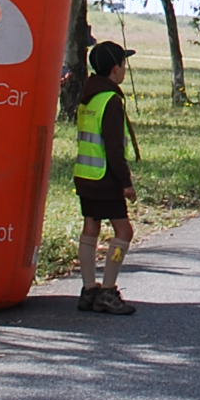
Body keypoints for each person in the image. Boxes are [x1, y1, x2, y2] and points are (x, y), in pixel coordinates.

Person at [71, 41, 140, 316]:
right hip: (105, 178)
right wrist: (126, 183)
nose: (124, 70)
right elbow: (113, 147)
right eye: (123, 64)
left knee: (91, 229)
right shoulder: (111, 100)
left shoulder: (88, 95)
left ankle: (89, 289)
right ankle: (108, 290)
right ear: (115, 69)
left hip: (85, 175)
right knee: (124, 233)